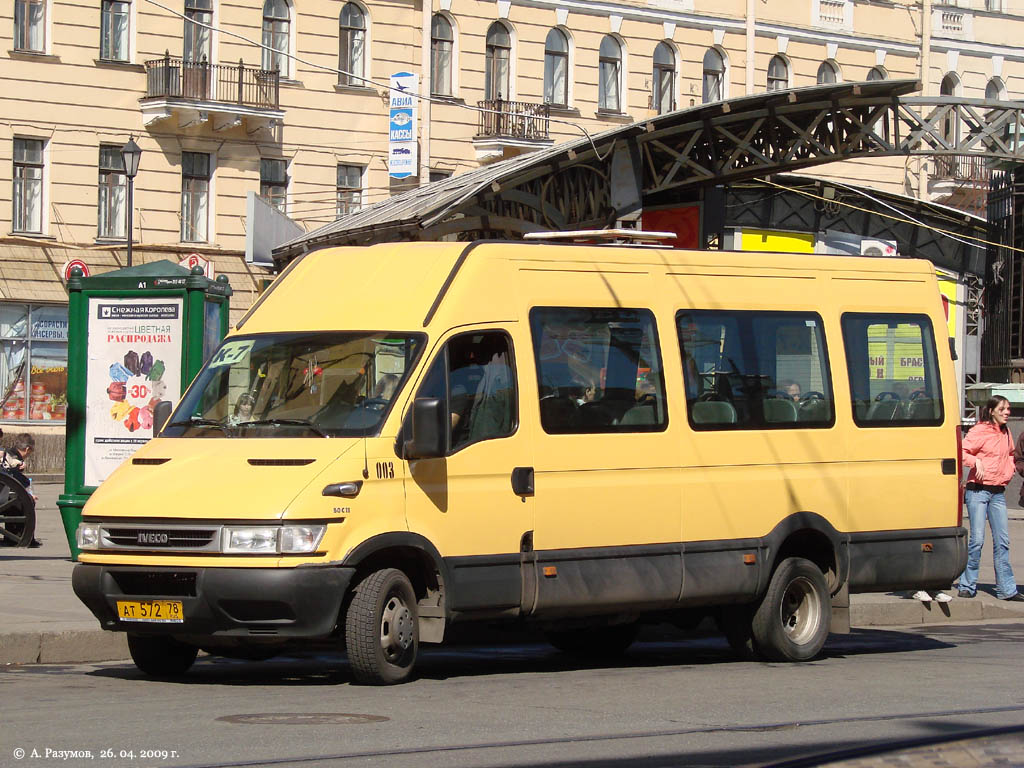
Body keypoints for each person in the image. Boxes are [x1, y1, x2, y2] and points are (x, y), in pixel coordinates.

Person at [958, 395, 1024, 601]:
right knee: (977, 540)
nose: (1007, 412)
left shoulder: (1005, 432)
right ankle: (967, 585)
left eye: (1008, 409)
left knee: (1002, 541)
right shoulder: (980, 430)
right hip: (978, 490)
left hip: (998, 492)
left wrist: (1010, 470)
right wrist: (975, 461)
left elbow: (1011, 454)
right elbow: (960, 450)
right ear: (992, 410)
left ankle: (1007, 589)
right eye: (1003, 409)